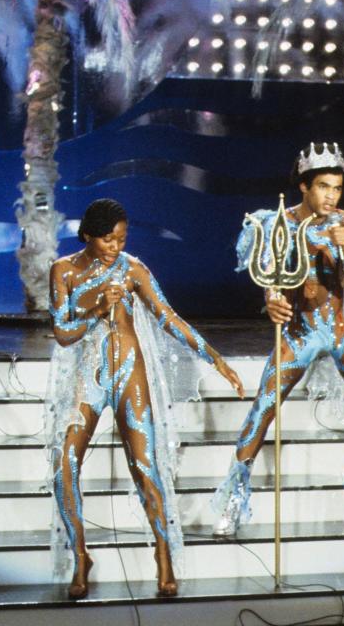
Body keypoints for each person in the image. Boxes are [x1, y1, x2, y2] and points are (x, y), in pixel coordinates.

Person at [45, 198, 244, 599]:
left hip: (129, 373)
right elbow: (63, 333)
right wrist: (97, 308)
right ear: (87, 235)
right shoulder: (63, 271)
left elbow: (168, 317)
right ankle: (80, 556)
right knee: (64, 463)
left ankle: (163, 554)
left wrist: (216, 357)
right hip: (89, 373)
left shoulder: (133, 269)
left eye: (121, 238)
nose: (116, 246)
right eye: (107, 239)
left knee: (145, 467)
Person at [212, 143, 344, 537]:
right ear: (305, 187)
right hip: (301, 331)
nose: (331, 196)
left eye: (338, 188)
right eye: (324, 187)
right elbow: (268, 276)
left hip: (341, 329)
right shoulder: (278, 221)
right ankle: (232, 500)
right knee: (263, 408)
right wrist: (272, 301)